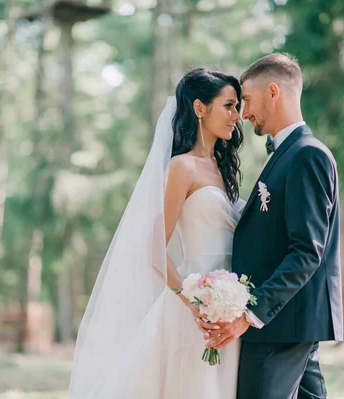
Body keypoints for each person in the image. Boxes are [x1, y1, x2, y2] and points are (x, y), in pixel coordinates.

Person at [69, 68, 245, 398]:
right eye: (229, 105)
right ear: (199, 108)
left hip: (230, 308)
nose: (238, 116)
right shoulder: (182, 167)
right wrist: (194, 302)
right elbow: (153, 249)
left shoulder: (223, 166)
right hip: (194, 307)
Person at [200, 53, 343, 399]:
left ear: (274, 92)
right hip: (290, 324)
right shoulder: (286, 154)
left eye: (246, 100)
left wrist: (250, 313)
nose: (243, 113)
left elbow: (307, 252)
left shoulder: (307, 155)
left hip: (279, 327)